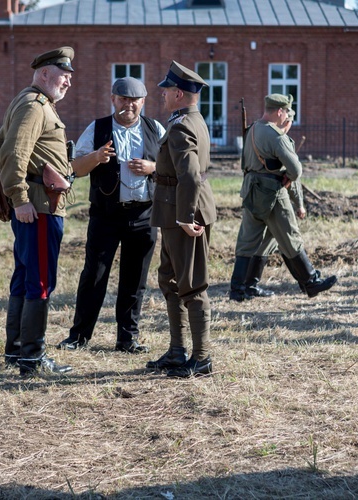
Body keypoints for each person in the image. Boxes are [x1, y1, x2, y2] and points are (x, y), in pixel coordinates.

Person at [57, 77, 165, 354]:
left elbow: (172, 167)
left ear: (143, 102)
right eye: (123, 99)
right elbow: (75, 169)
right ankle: (79, 336)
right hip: (106, 216)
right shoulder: (98, 128)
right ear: (113, 99)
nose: (128, 105)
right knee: (94, 275)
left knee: (135, 280)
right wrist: (96, 157)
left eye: (134, 100)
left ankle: (127, 339)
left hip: (144, 215)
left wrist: (153, 167)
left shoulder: (155, 129)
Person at [0, 47, 76, 376]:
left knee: (26, 278)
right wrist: (20, 196)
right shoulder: (35, 105)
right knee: (40, 280)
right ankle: (32, 357)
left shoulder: (33, 103)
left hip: (39, 205)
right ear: (44, 74)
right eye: (63, 74)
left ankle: (16, 352)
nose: (68, 81)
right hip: (38, 208)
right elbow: (11, 152)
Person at [145, 60, 216, 378]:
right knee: (170, 280)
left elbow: (189, 176)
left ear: (177, 93)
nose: (161, 95)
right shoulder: (191, 120)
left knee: (191, 284)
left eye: (165, 90)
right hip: (175, 211)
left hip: (184, 212)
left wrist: (186, 217)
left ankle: (201, 357)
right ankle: (177, 351)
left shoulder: (183, 125)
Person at [228, 94, 337, 302]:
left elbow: (244, 164)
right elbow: (296, 170)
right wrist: (288, 176)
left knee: (247, 241)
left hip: (251, 191)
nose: (287, 115)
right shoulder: (275, 135)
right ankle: (311, 281)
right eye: (286, 112)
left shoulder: (251, 130)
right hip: (273, 194)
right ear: (280, 112)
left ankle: (238, 289)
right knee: (290, 237)